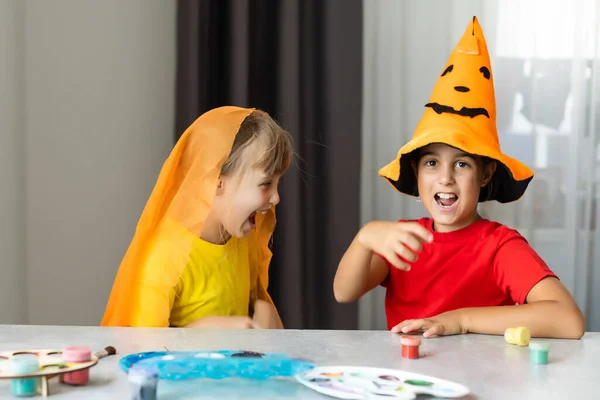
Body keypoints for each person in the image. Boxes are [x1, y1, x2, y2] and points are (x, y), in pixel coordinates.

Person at [333, 17, 585, 339]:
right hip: (407, 383)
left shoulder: (499, 247)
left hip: (482, 384)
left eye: (462, 164)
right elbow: (344, 292)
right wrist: (364, 237)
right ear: (416, 171)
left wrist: (460, 320)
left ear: (486, 173)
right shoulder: (406, 240)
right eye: (432, 163)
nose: (445, 178)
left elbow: (569, 321)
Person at [101, 106, 293, 329]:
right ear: (216, 182)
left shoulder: (243, 239)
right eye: (266, 183)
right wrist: (199, 333)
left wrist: (267, 315)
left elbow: (260, 330)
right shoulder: (164, 256)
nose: (276, 198)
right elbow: (140, 351)